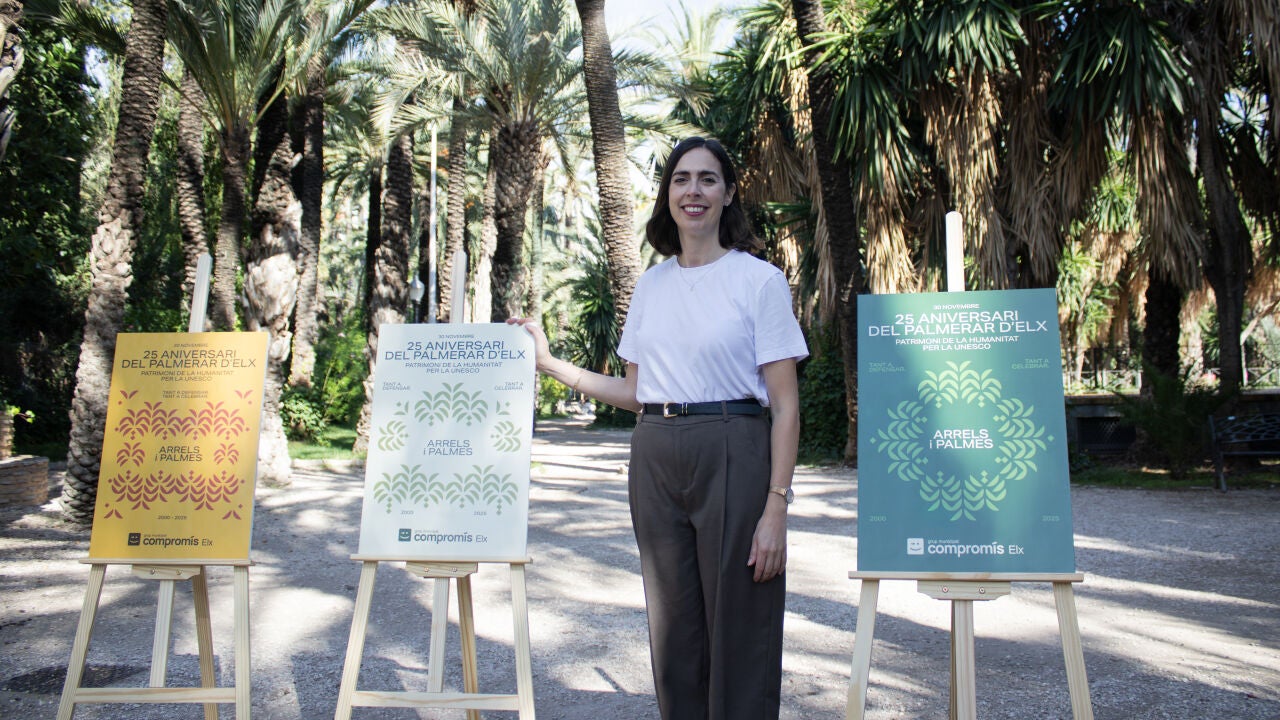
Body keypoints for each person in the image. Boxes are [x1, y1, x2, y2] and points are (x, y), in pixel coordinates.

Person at [510, 136, 808, 720]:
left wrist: (777, 504)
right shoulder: (651, 285)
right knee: (673, 626)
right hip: (655, 453)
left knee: (741, 617)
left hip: (733, 444)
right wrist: (549, 364)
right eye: (681, 179)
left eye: (707, 179)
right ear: (667, 194)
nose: (693, 191)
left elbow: (786, 405)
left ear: (728, 194)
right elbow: (635, 392)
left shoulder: (759, 280)